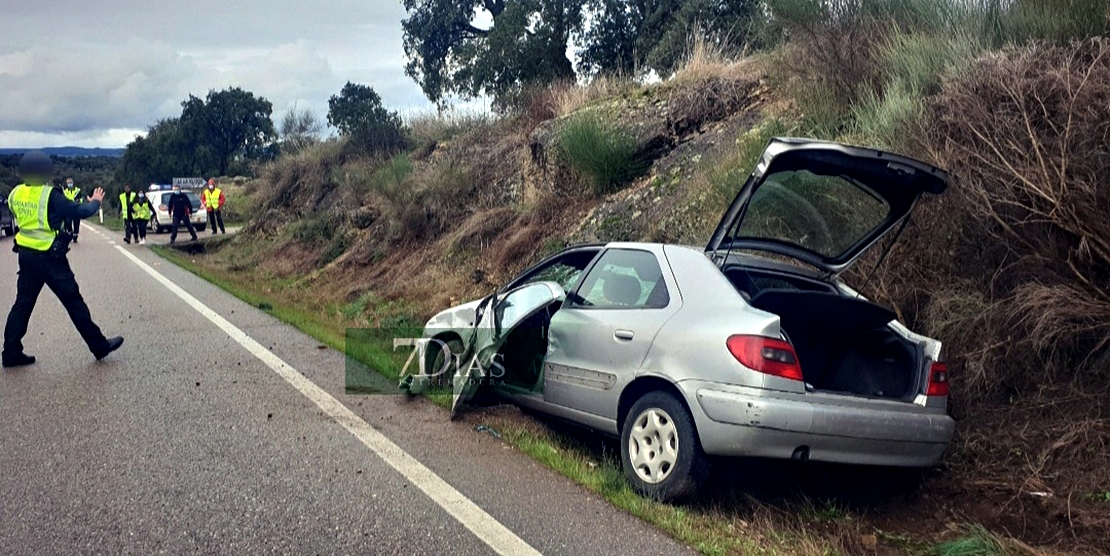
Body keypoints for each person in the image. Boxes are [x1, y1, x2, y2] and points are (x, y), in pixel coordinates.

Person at [2, 151, 123, 368]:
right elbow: (80, 211)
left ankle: (10, 352)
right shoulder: (50, 196)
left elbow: (14, 212)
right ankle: (99, 346)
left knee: (22, 303)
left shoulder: (15, 193)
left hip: (26, 256)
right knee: (73, 301)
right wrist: (96, 202)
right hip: (50, 257)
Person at [61, 177, 82, 243]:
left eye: (70, 183)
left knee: (76, 223)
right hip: (68, 210)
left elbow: (81, 198)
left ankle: (75, 236)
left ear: (73, 183)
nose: (69, 184)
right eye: (68, 183)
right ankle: (70, 232)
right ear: (67, 184)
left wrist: (78, 201)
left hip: (76, 209)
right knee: (67, 222)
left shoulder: (77, 191)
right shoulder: (65, 192)